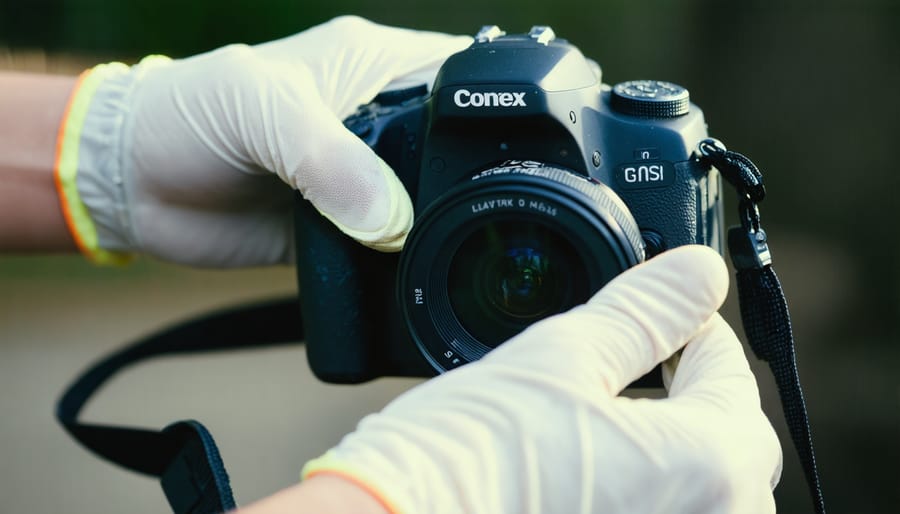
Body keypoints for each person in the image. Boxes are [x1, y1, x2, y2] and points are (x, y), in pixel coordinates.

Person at [0, 16, 782, 513]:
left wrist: (98, 151)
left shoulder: (646, 137)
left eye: (526, 274)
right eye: (513, 274)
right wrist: (411, 494)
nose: (519, 277)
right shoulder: (382, 140)